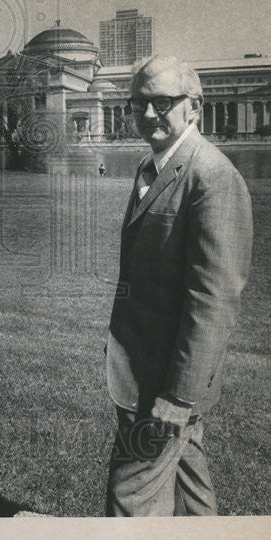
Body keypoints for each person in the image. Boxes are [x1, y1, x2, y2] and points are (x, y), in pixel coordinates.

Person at [105, 55, 253, 516]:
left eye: (163, 103)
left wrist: (178, 396)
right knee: (190, 493)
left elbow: (214, 300)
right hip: (147, 371)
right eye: (139, 103)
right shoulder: (154, 167)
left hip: (164, 385)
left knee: (130, 499)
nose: (148, 114)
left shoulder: (211, 176)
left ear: (194, 107)